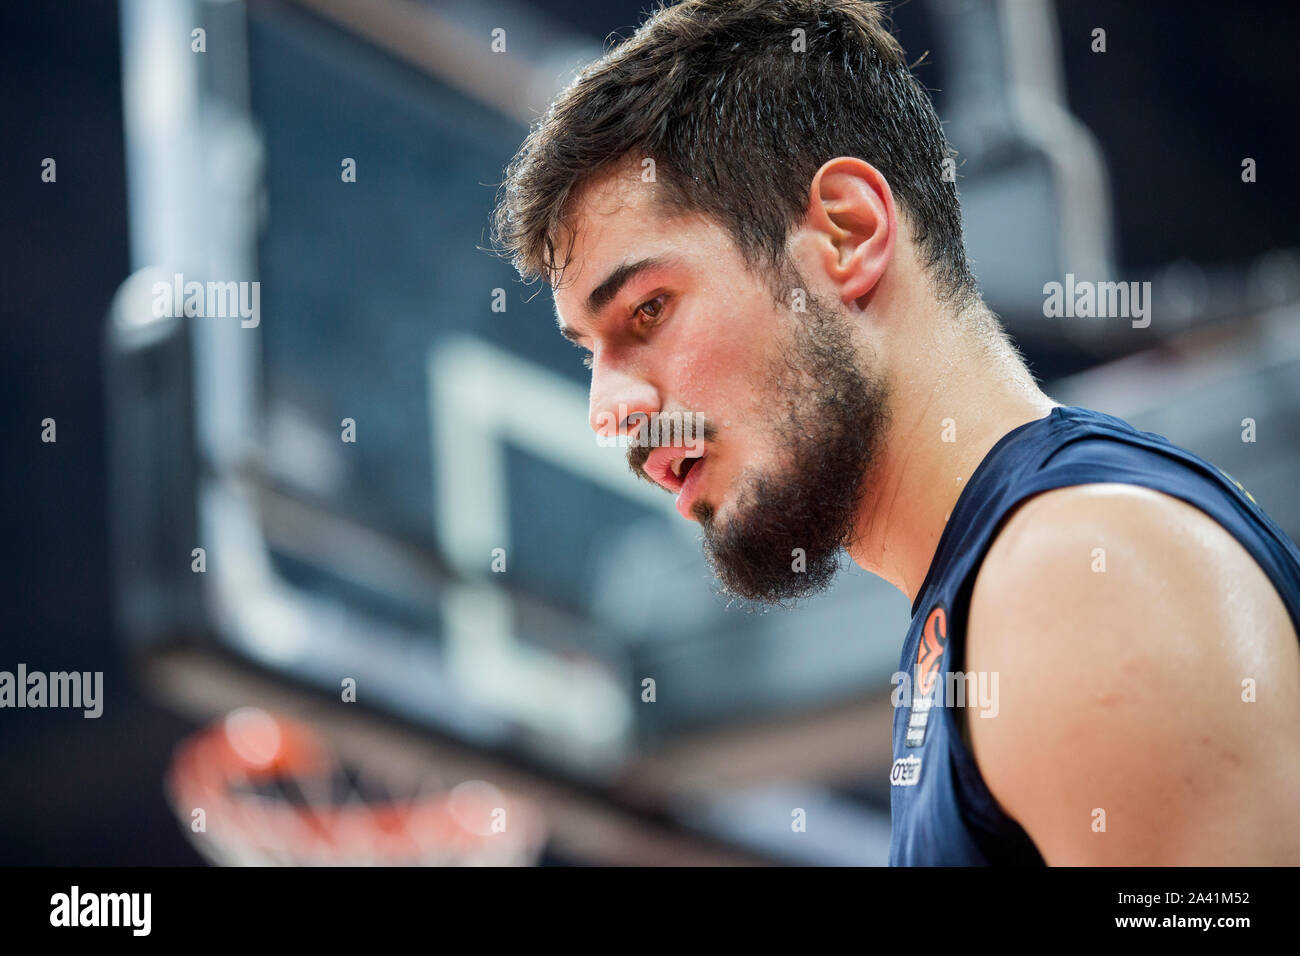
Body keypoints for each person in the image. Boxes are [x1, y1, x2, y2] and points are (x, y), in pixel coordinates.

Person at [491, 0, 1300, 864]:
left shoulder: (1077, 575)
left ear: (846, 232)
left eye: (648, 310)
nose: (606, 409)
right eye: (589, 355)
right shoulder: (981, 595)